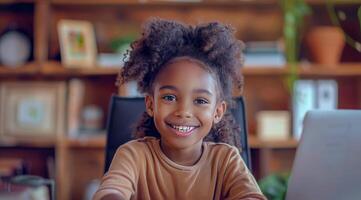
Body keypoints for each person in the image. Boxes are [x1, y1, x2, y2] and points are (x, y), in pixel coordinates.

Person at [93, 18, 266, 200]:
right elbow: (110, 193)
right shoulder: (133, 156)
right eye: (169, 97)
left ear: (218, 112)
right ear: (151, 105)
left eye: (200, 100)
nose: (183, 111)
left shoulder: (226, 160)